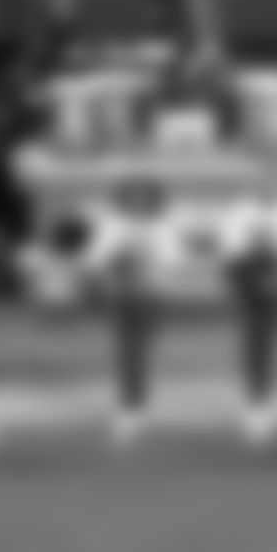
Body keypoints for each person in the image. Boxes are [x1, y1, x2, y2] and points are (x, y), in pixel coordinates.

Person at [79, 177, 173, 446]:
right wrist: (117, 253)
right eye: (132, 198)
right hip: (121, 295)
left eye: (143, 197)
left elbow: (173, 258)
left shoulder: (161, 226)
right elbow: (93, 258)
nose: (137, 203)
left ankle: (139, 403)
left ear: (151, 200)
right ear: (124, 201)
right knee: (126, 350)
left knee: (141, 350)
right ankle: (128, 408)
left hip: (151, 295)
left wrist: (148, 250)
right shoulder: (113, 226)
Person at [218, 189, 277, 446]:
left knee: (267, 344)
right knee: (252, 344)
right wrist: (251, 249)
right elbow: (231, 249)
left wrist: (274, 251)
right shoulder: (241, 212)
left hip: (274, 276)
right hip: (247, 277)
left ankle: (264, 404)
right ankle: (254, 405)